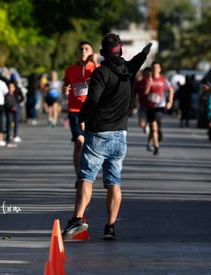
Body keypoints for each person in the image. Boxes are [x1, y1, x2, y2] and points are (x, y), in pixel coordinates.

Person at [62, 33, 152, 241]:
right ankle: (110, 227)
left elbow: (92, 100)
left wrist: (82, 117)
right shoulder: (128, 70)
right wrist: (145, 51)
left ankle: (77, 219)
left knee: (86, 176)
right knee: (114, 181)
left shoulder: (101, 73)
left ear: (101, 53)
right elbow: (138, 59)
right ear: (120, 51)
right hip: (120, 135)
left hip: (98, 134)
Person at [62, 41, 98, 176]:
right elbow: (65, 83)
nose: (83, 51)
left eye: (86, 49)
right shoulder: (70, 69)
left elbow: (103, 79)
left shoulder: (95, 68)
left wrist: (95, 62)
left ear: (91, 53)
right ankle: (79, 175)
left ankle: (89, 172)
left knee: (91, 143)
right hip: (75, 109)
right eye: (81, 49)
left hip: (92, 110)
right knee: (79, 141)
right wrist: (65, 88)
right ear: (77, 53)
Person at [144, 61, 174, 155]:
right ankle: (156, 146)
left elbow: (171, 90)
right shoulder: (148, 79)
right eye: (153, 68)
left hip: (161, 106)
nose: (155, 69)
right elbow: (145, 93)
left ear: (160, 69)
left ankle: (153, 139)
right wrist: (149, 84)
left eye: (157, 68)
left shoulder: (163, 79)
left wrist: (170, 101)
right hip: (150, 106)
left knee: (156, 125)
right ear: (151, 69)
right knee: (153, 127)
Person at [133, 67, 151, 135]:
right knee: (141, 124)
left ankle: (149, 124)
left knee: (153, 123)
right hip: (142, 105)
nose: (147, 75)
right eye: (145, 73)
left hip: (152, 106)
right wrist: (133, 103)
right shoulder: (139, 82)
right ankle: (146, 124)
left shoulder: (153, 81)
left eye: (148, 73)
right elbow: (134, 93)